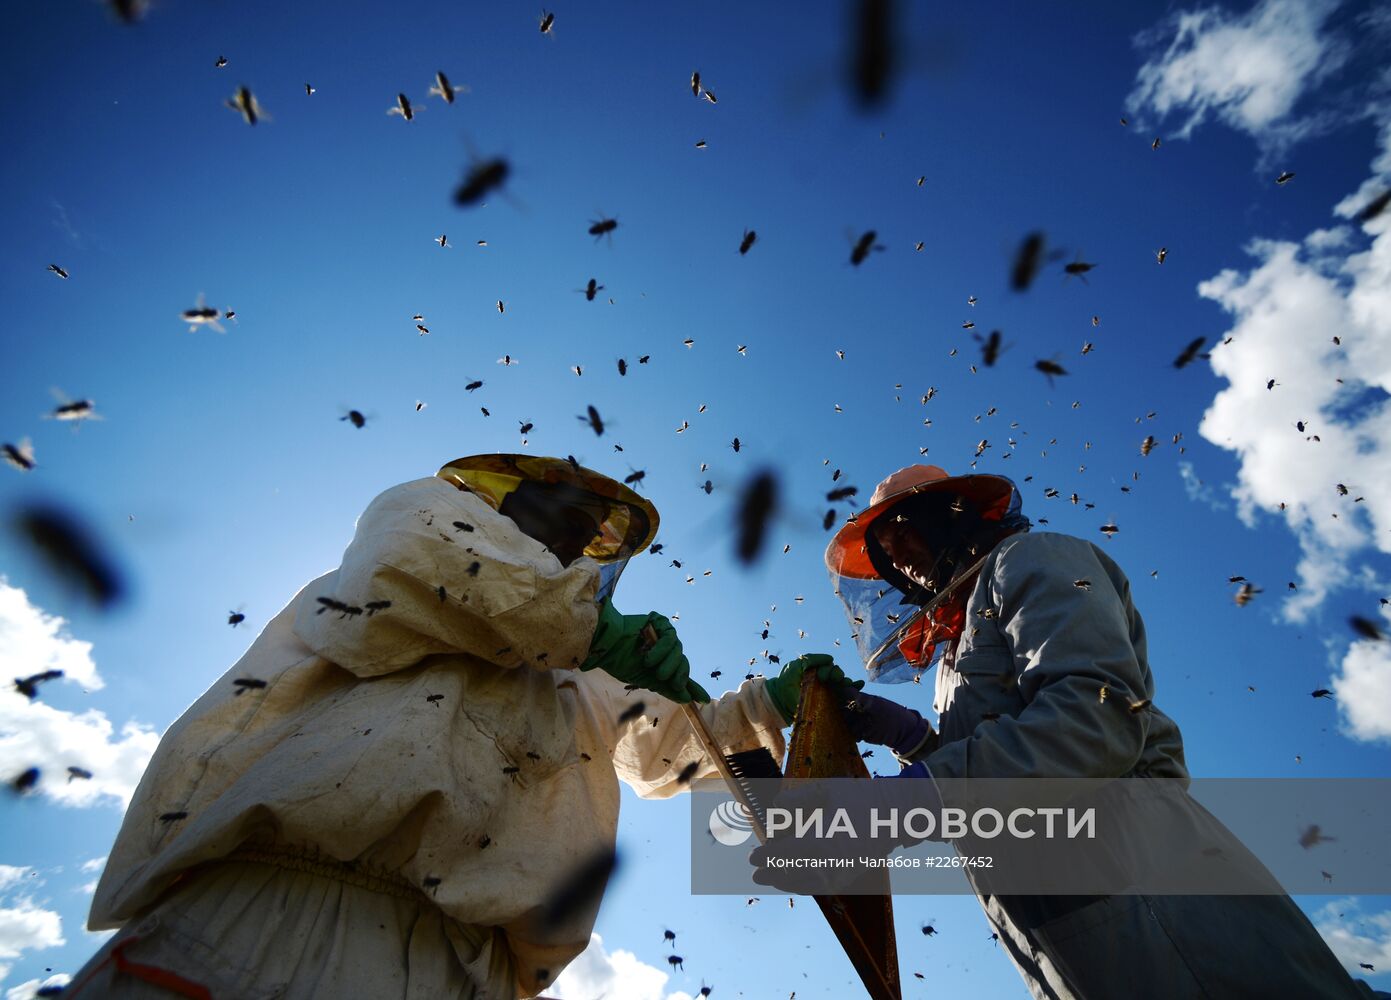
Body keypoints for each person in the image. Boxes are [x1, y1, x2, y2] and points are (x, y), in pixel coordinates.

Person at [70, 454, 846, 1000]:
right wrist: (588, 624)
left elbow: (667, 749)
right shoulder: (400, 548)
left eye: (586, 535)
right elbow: (449, 568)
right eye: (557, 517)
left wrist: (771, 702)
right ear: (495, 504)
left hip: (468, 968)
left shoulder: (578, 674)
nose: (570, 543)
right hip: (263, 920)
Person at [807, 463, 1378, 1000]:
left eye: (904, 531)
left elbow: (1093, 720)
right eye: (883, 549)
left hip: (1153, 889)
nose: (897, 555)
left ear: (952, 513)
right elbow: (993, 773)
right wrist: (909, 737)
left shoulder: (1031, 559)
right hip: (1060, 926)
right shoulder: (955, 654)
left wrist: (905, 800)